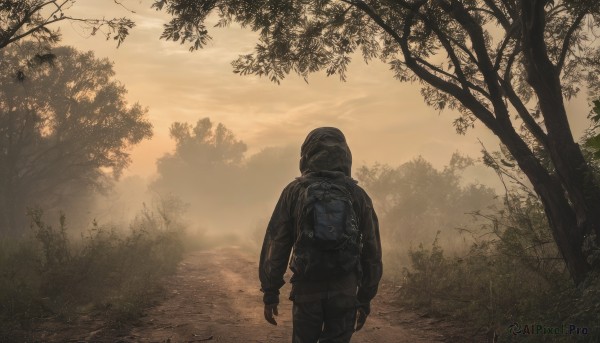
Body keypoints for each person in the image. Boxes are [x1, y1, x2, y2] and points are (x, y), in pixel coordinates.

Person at [259, 127, 383, 343]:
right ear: (346, 155)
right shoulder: (357, 195)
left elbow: (277, 243)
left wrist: (271, 292)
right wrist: (365, 299)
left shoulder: (294, 192)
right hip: (345, 289)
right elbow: (372, 250)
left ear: (307, 155)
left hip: (307, 288)